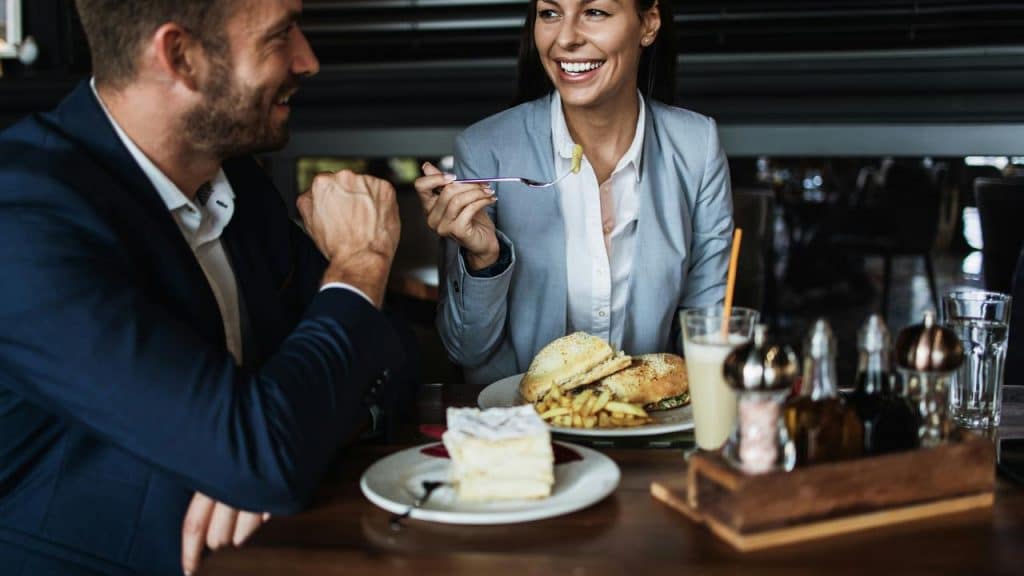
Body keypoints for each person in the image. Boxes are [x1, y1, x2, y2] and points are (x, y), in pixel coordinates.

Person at [0, 1, 412, 575]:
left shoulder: (234, 177)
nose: (308, 59)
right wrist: (361, 260)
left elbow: (388, 352)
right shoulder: (23, 222)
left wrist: (278, 443)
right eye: (279, 36)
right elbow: (270, 448)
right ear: (181, 57)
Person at [414, 0, 733, 386]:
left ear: (648, 24)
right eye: (550, 13)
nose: (564, 38)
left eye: (594, 12)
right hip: (521, 429)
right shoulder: (485, 149)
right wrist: (484, 259)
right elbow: (466, 350)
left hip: (646, 428)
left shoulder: (697, 145)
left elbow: (706, 334)